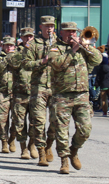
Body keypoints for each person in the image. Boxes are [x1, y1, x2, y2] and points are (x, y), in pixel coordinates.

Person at [48, 21, 102, 174]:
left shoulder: (84, 48)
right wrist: (73, 50)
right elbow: (57, 64)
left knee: (85, 129)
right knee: (61, 130)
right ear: (62, 33)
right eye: (68, 31)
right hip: (62, 95)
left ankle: (74, 150)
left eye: (74, 31)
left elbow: (97, 60)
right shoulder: (55, 48)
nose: (72, 34)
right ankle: (64, 160)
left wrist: (85, 46)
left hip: (82, 95)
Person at [22, 15, 58, 166]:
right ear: (41, 27)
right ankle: (41, 151)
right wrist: (42, 61)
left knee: (57, 121)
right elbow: (26, 64)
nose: (49, 28)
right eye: (46, 26)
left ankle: (49, 143)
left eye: (51, 26)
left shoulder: (59, 43)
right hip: (39, 87)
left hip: (56, 87)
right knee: (38, 121)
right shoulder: (33, 44)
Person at [9, 27, 36, 159]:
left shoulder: (37, 51)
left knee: (35, 122)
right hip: (19, 93)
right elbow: (13, 63)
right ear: (22, 38)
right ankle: (23, 148)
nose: (28, 39)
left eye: (30, 37)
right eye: (26, 37)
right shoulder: (17, 52)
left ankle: (32, 144)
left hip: (35, 93)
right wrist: (24, 50)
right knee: (19, 123)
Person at [0, 36, 16, 153]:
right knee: (1, 120)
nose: (9, 48)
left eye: (11, 45)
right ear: (3, 46)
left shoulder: (18, 57)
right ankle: (4, 142)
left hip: (16, 92)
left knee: (17, 120)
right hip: (1, 92)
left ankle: (12, 139)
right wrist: (7, 58)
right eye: (7, 45)